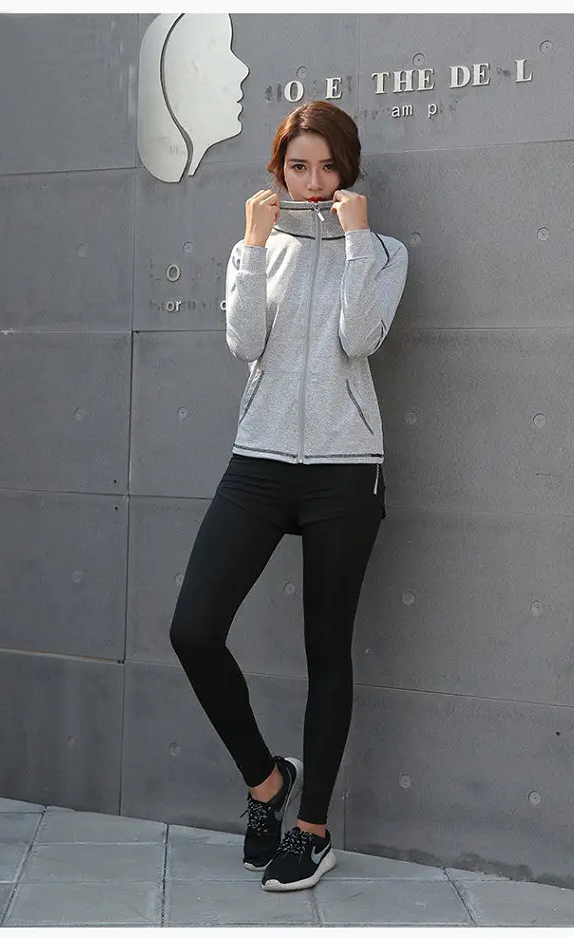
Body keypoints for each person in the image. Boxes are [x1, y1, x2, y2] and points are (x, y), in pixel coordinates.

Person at [169, 99, 408, 892]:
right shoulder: (259, 247)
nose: (313, 181)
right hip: (259, 465)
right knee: (193, 629)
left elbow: (359, 337)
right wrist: (249, 247)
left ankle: (313, 829)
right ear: (278, 169)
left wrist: (357, 240)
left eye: (328, 166)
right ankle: (268, 780)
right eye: (298, 166)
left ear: (348, 170)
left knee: (326, 650)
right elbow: (244, 342)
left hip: (345, 469)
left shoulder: (385, 251)